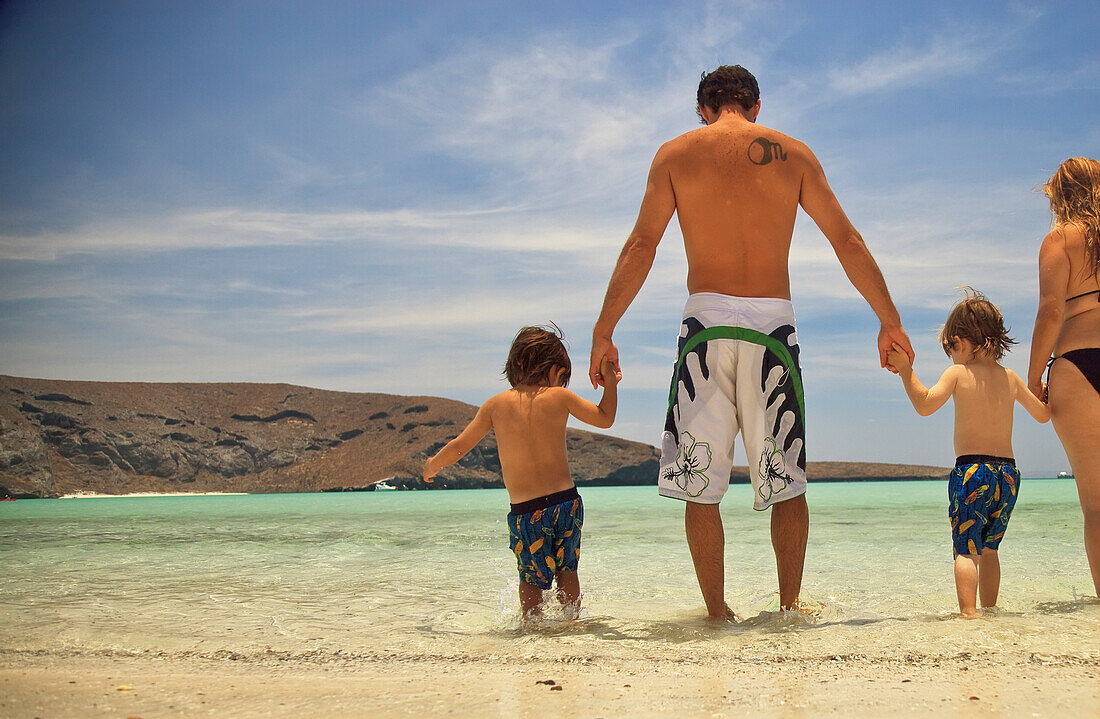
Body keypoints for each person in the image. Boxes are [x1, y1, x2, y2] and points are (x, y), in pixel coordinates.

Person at [588, 64, 912, 619]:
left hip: (704, 329)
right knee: (786, 482)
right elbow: (847, 241)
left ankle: (717, 615)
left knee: (699, 483)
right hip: (773, 332)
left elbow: (642, 244)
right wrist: (889, 319)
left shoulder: (675, 154)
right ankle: (788, 609)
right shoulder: (795, 154)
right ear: (756, 106)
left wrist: (604, 329)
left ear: (703, 109)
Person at [423, 325, 619, 620]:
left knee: (530, 577)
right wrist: (611, 382)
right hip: (566, 503)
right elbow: (605, 418)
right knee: (568, 570)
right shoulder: (560, 397)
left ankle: (532, 627)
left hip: (527, 512)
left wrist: (434, 463)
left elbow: (460, 445)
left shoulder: (494, 405)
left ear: (514, 365)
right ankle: (572, 622)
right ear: (554, 370)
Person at [887, 289, 1049, 618]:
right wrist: (1044, 390)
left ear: (960, 342)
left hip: (973, 472)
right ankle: (990, 613)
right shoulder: (1012, 378)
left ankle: (969, 615)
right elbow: (1044, 415)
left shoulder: (958, 374)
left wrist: (906, 371)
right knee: (990, 549)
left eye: (951, 350)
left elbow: (925, 405)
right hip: (1008, 476)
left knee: (966, 550)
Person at [1027, 157, 1100, 597]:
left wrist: (1035, 376)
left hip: (1078, 361)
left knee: (1095, 502)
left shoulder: (1060, 239)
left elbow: (1052, 310)